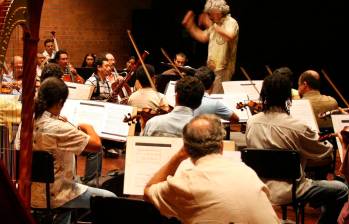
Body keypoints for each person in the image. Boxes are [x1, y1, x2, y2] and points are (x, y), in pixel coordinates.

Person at [245, 73, 348, 223]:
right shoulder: (297, 126)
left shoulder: (251, 122)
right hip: (291, 190)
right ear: (288, 96)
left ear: (264, 94)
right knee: (341, 190)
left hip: (259, 187)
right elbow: (323, 152)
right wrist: (326, 141)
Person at [15, 77, 116, 224]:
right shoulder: (59, 127)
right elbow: (96, 145)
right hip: (56, 193)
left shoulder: (27, 121)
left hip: (30, 192)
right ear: (61, 102)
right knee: (111, 199)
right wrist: (88, 127)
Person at [144, 114, 280, 223]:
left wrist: (178, 157)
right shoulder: (246, 171)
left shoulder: (186, 183)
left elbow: (148, 191)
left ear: (187, 149)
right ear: (221, 146)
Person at [182, 0, 239, 93]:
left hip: (223, 68)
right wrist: (190, 26)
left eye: (210, 14)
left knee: (216, 95)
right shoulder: (215, 25)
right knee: (208, 94)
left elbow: (230, 35)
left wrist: (213, 26)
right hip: (212, 67)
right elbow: (203, 37)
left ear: (217, 12)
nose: (209, 17)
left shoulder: (230, 22)